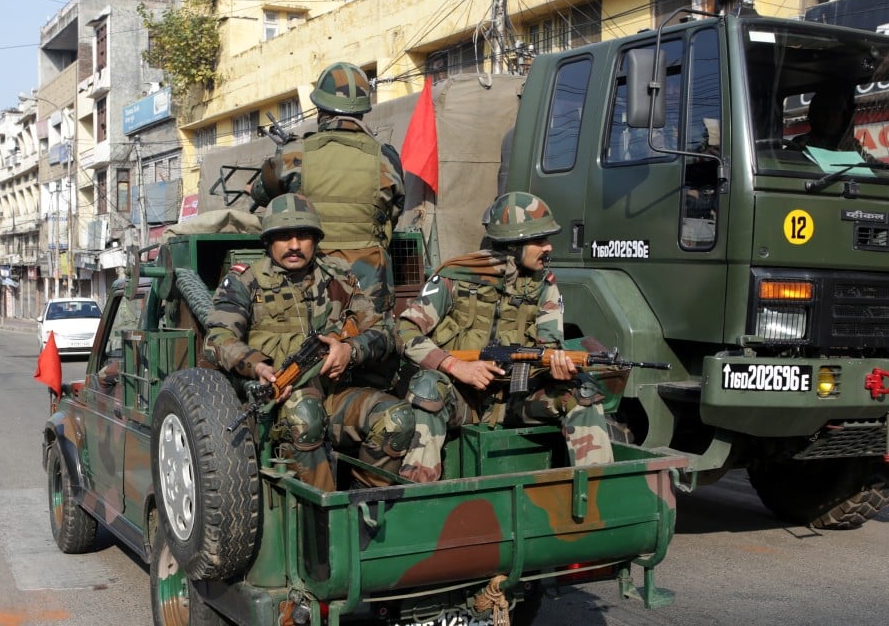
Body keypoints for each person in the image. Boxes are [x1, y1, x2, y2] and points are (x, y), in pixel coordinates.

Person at [395, 192, 615, 483]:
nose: (549, 247)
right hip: (462, 400)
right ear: (513, 244)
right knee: (427, 388)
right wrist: (453, 366)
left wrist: (557, 367)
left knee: (582, 392)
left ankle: (600, 493)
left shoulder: (544, 287)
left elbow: (548, 348)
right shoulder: (455, 276)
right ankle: (417, 500)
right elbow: (405, 330)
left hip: (514, 400)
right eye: (539, 240)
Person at [204, 194, 414, 491]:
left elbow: (383, 331)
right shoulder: (244, 282)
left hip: (335, 395)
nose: (293, 245)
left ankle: (365, 504)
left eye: (303, 235)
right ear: (268, 242)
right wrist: (258, 366)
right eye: (283, 236)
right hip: (277, 402)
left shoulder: (338, 275)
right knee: (305, 415)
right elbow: (218, 339)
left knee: (397, 418)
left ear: (315, 239)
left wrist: (350, 351)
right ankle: (326, 517)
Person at [249, 61, 405, 316]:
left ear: (320, 110)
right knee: (371, 343)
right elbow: (393, 214)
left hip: (312, 279)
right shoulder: (386, 157)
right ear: (363, 111)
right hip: (371, 282)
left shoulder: (294, 153)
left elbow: (261, 193)